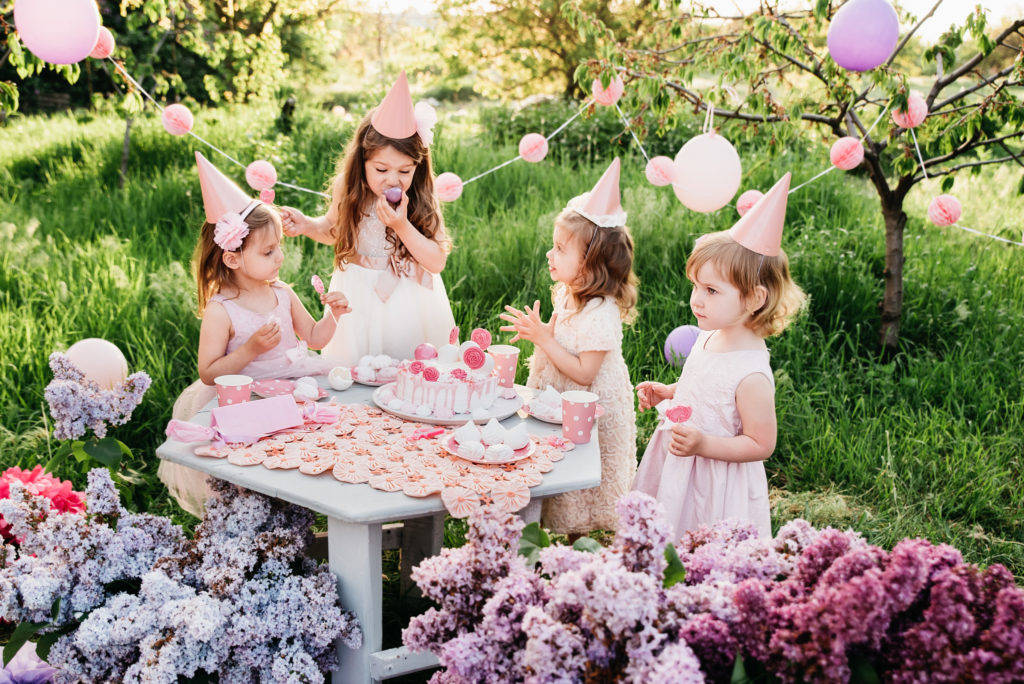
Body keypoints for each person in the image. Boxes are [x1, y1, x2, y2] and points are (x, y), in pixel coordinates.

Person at [160, 152, 350, 517]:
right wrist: (249, 349)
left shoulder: (281, 292)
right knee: (249, 476)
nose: (279, 257)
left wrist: (333, 315)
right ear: (232, 258)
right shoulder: (221, 310)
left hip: (291, 389)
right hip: (245, 401)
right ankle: (251, 520)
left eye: (279, 246)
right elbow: (208, 373)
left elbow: (314, 338)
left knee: (294, 461)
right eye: (267, 251)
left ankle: (296, 516)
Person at [633, 173, 806, 539]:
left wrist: (704, 445)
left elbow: (762, 443)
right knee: (666, 531)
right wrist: (671, 390)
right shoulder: (710, 334)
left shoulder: (752, 375)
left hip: (715, 480)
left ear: (755, 298)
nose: (697, 299)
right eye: (696, 286)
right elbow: (706, 383)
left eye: (712, 290)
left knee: (702, 542)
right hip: (682, 460)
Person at [500, 158, 638, 537]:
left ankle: (581, 546)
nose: (550, 254)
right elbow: (566, 345)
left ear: (591, 264)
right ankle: (560, 537)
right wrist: (547, 332)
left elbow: (584, 372)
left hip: (593, 414)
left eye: (561, 248)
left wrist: (544, 339)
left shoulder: (600, 312)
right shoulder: (569, 293)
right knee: (559, 472)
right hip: (564, 404)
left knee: (583, 484)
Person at [279, 72, 455, 366]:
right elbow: (333, 231)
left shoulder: (422, 194)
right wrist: (309, 225)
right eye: (382, 170)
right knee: (354, 367)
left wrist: (401, 225)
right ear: (363, 162)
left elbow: (436, 262)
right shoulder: (347, 188)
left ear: (418, 167)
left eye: (404, 171)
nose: (393, 181)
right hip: (357, 293)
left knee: (406, 367)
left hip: (408, 298)